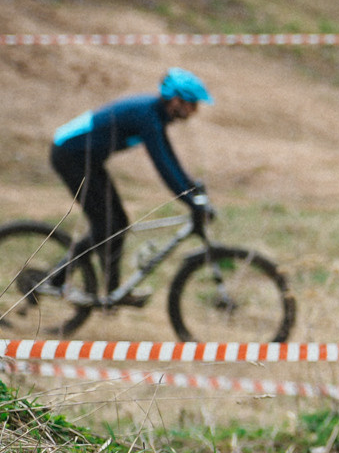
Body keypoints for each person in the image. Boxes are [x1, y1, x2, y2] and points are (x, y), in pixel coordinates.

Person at [49, 69, 215, 300]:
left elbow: (169, 157)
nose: (195, 111)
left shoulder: (155, 115)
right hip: (70, 155)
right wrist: (190, 200)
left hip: (87, 158)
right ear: (176, 100)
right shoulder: (147, 116)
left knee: (117, 224)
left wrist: (191, 186)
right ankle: (62, 280)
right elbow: (163, 167)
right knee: (106, 225)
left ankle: (111, 291)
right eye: (192, 104)